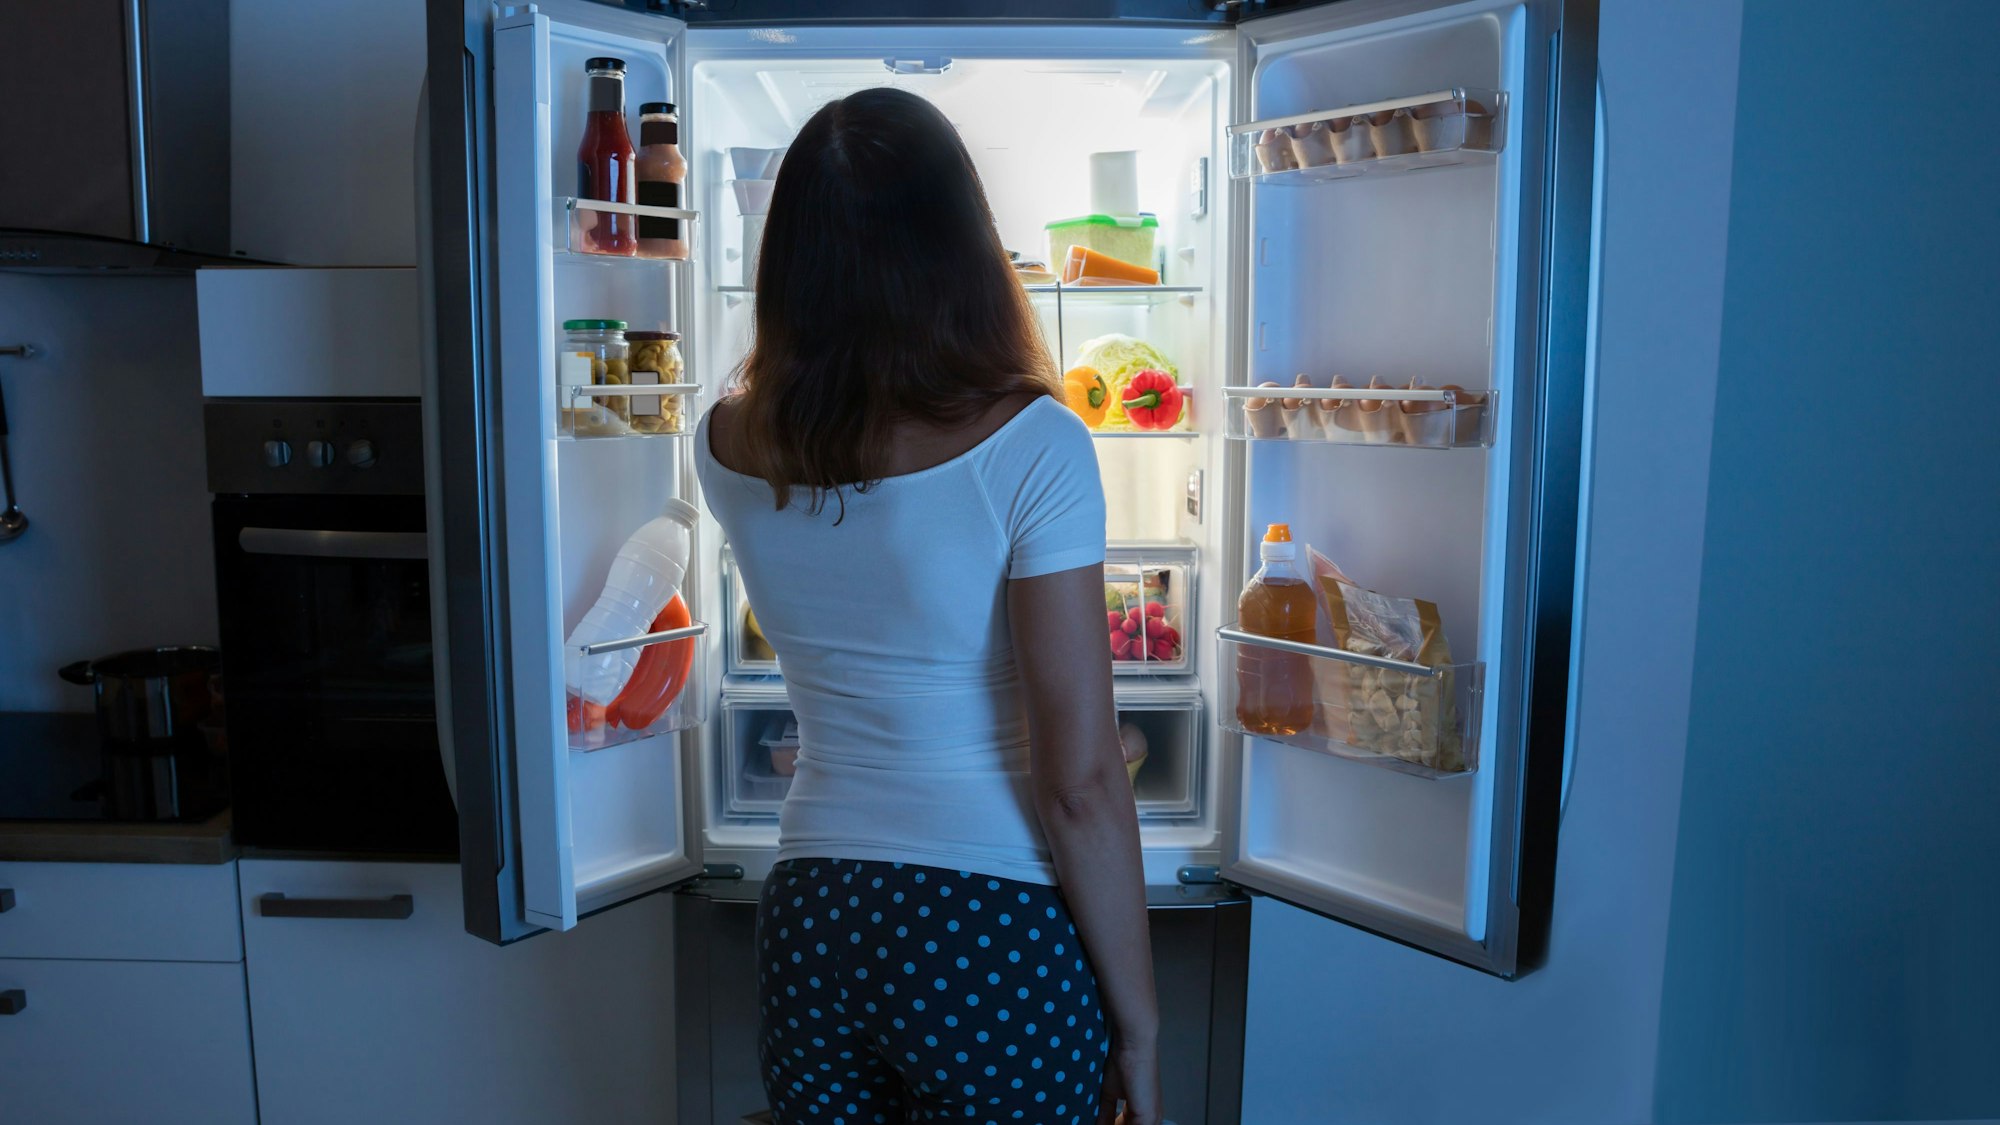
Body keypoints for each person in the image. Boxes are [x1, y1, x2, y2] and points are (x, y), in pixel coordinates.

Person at [696, 87, 1161, 1125]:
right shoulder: (1033, 446)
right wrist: (1137, 1028)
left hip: (812, 915)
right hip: (984, 920)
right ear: (965, 243)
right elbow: (1080, 778)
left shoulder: (724, 442)